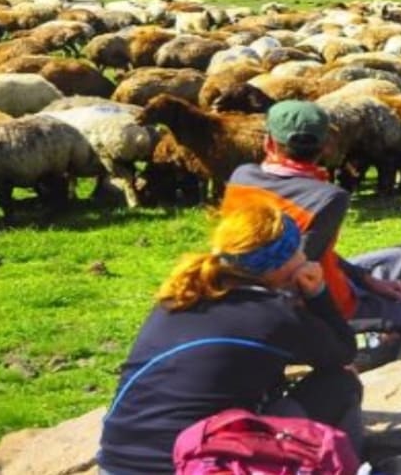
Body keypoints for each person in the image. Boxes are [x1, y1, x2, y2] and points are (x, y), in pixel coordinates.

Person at [97, 200, 361, 475]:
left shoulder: (180, 297)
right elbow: (342, 352)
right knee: (340, 384)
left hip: (115, 462)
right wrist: (317, 292)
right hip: (194, 465)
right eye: (298, 250)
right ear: (278, 263)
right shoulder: (273, 315)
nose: (304, 258)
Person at [221, 100, 401, 345]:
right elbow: (301, 272)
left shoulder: (241, 177)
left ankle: (378, 296)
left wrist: (368, 281)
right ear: (326, 146)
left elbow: (302, 251)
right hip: (324, 305)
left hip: (252, 291)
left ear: (269, 143)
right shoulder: (328, 197)